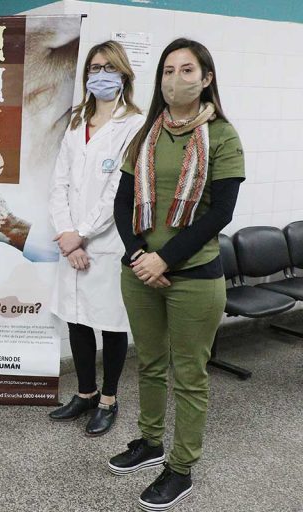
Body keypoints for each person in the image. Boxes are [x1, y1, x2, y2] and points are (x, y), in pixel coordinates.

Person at [110, 39, 244, 512]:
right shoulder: (145, 134)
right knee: (148, 363)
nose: (175, 79)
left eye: (187, 70)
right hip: (139, 271)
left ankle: (181, 468)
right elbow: (122, 202)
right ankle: (150, 443)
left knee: (189, 376)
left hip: (195, 276)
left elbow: (221, 213)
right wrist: (138, 255)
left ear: (206, 79)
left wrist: (164, 260)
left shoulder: (223, 136)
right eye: (168, 70)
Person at [45, 41, 144, 437]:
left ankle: (108, 399)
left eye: (108, 67)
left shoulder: (134, 124)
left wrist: (81, 234)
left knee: (110, 322)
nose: (100, 75)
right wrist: (67, 235)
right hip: (71, 242)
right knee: (77, 319)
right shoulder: (76, 122)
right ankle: (85, 394)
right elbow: (59, 184)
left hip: (106, 242)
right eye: (94, 68)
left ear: (123, 74)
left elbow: (119, 192)